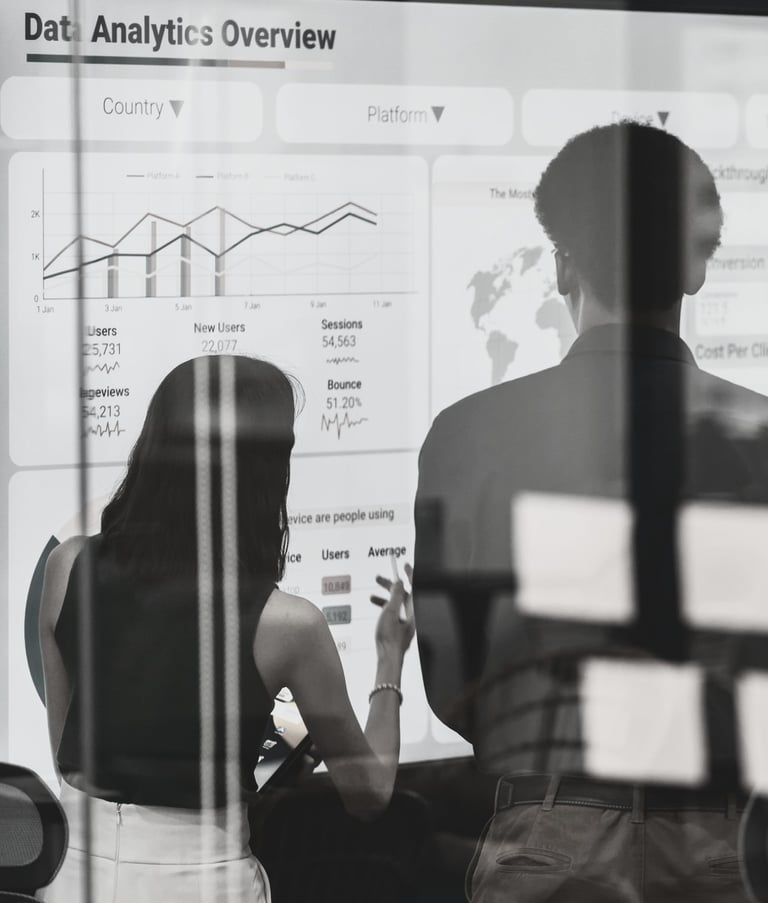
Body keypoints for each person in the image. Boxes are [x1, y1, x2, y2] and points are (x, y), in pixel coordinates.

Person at [412, 122, 768, 901]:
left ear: (563, 264)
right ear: (696, 269)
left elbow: (450, 681)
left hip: (547, 833)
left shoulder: (467, 433)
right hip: (721, 839)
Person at [38, 354, 415, 902]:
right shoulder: (289, 623)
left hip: (74, 875)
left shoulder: (67, 566)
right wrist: (389, 659)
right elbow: (369, 793)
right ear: (265, 472)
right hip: (201, 881)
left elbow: (70, 754)